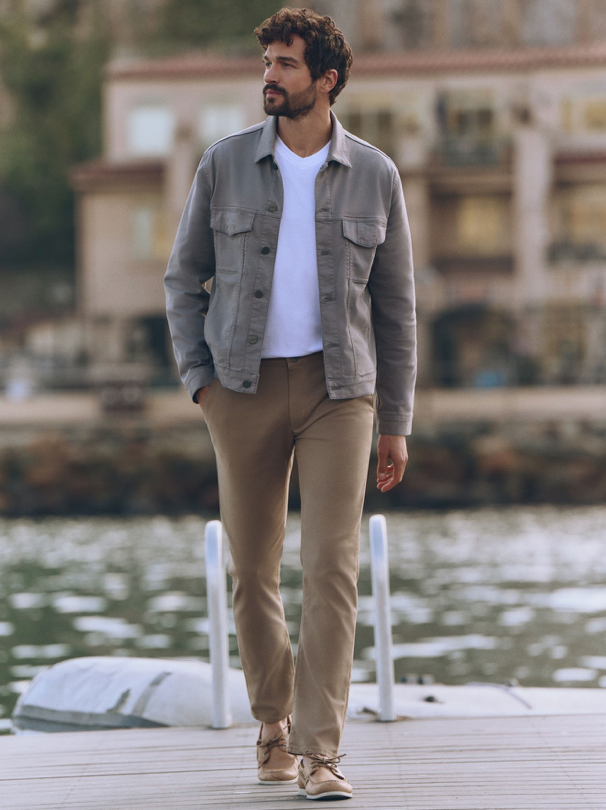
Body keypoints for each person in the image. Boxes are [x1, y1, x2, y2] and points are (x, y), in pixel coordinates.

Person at [164, 7, 416, 800]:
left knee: (333, 565)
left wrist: (397, 421)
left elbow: (396, 307)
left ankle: (319, 752)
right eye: (266, 62)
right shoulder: (224, 163)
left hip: (342, 393)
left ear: (326, 80)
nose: (269, 76)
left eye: (285, 64)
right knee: (252, 569)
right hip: (238, 387)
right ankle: (272, 726)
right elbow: (182, 280)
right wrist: (198, 381)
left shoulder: (375, 174)